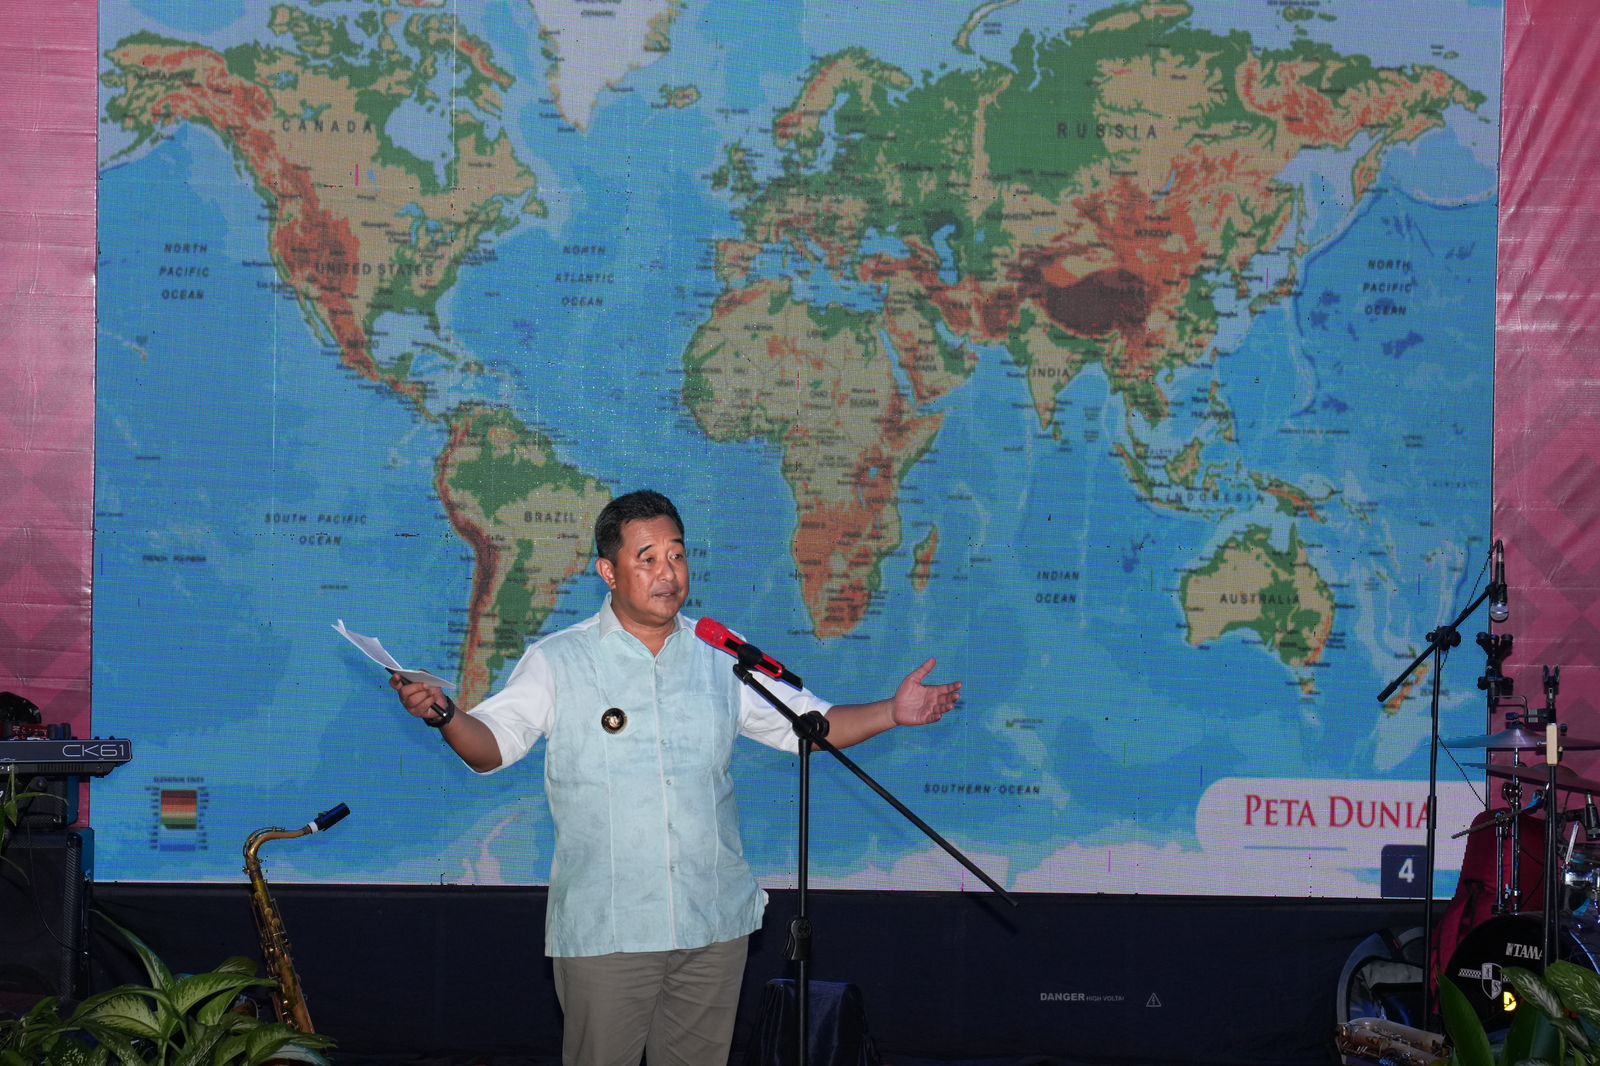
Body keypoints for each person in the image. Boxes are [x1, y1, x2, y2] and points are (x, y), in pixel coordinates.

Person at [392, 489, 960, 1066]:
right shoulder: (559, 659)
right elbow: (492, 747)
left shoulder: (724, 656)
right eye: (648, 559)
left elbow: (810, 727)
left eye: (677, 555)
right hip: (609, 929)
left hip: (712, 924)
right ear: (608, 572)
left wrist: (893, 712)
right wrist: (445, 714)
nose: (668, 573)